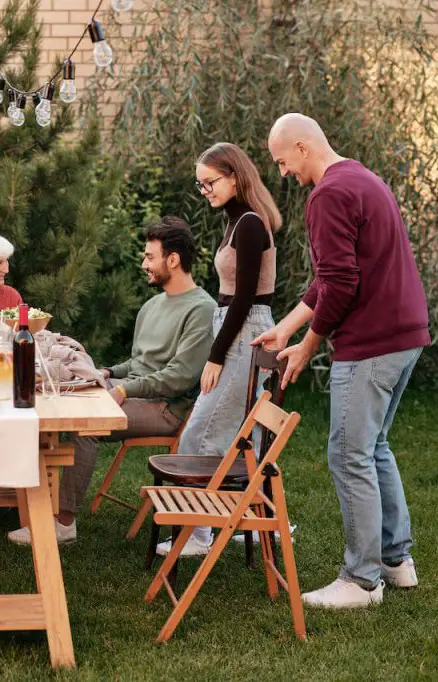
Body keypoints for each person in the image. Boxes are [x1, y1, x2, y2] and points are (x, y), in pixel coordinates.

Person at [257, 113, 430, 608]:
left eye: (283, 161)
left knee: (349, 454)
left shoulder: (328, 194)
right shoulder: (362, 177)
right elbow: (333, 275)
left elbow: (342, 283)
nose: (283, 173)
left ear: (305, 147)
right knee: (373, 447)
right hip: (404, 335)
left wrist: (309, 344)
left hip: (372, 343)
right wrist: (287, 327)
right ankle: (396, 563)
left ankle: (361, 580)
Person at [8, 218, 216, 545]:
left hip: (166, 409)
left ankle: (63, 523)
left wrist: (123, 389)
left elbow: (179, 377)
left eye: (150, 257)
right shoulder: (152, 305)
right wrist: (109, 373)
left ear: (173, 260)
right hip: (135, 394)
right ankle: (21, 502)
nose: (144, 264)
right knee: (50, 403)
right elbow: (140, 362)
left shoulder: (202, 310)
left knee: (84, 425)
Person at [155, 142, 283, 558]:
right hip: (235, 326)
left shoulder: (248, 223)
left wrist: (215, 355)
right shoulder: (236, 221)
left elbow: (245, 297)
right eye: (200, 184)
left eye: (209, 182)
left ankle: (197, 533)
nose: (205, 190)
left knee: (201, 430)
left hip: (244, 330)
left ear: (234, 176)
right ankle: (249, 521)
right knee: (226, 429)